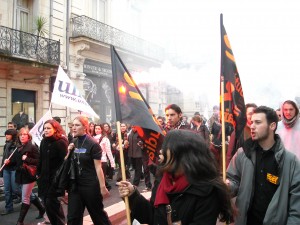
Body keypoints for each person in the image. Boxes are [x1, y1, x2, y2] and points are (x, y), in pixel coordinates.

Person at [118, 129, 235, 225]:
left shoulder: (207, 191)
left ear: (183, 155)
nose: (160, 151)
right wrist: (133, 195)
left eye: (166, 147)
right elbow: (153, 216)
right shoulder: (163, 180)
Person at [226, 106, 300, 225]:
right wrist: (228, 186)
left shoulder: (290, 161)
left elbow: (297, 202)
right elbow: (233, 179)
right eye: (252, 122)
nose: (252, 126)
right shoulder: (242, 153)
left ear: (272, 126)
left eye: (258, 122)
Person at [66, 116, 111, 225]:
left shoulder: (93, 144)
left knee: (98, 216)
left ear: (85, 127)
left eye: (77, 125)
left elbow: (98, 167)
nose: (74, 128)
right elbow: (68, 163)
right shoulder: (74, 141)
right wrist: (68, 151)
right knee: (73, 218)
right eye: (73, 125)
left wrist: (102, 187)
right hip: (75, 186)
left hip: (90, 186)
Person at [37, 119, 68, 225]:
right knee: (48, 204)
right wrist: (38, 174)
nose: (46, 130)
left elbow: (65, 163)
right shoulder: (43, 141)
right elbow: (41, 159)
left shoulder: (61, 142)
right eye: (44, 128)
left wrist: (63, 182)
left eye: (49, 128)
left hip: (55, 180)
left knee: (52, 204)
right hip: (44, 179)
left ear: (55, 129)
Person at [15, 127, 40, 225]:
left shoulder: (32, 147)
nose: (22, 136)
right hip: (20, 174)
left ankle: (20, 221)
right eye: (20, 134)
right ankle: (41, 209)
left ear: (28, 136)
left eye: (24, 134)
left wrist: (27, 159)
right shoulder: (18, 147)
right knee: (28, 195)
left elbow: (38, 161)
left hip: (29, 175)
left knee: (25, 197)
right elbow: (17, 161)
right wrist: (8, 162)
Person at [127, 125, 152, 191]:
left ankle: (143, 184)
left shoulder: (141, 133)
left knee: (144, 169)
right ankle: (141, 176)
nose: (133, 128)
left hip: (141, 154)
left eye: (134, 127)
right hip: (132, 154)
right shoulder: (130, 133)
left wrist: (142, 144)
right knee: (136, 168)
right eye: (132, 127)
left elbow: (146, 142)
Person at [0, 129, 18, 215]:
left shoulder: (16, 145)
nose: (6, 136)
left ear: (13, 135)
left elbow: (16, 159)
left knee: (15, 189)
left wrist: (10, 162)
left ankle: (31, 199)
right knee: (7, 190)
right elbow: (4, 157)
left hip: (14, 169)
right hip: (6, 169)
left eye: (8, 134)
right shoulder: (6, 145)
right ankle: (9, 208)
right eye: (6, 134)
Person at [93, 123, 115, 191]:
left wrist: (112, 163)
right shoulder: (92, 138)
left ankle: (104, 190)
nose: (97, 130)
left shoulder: (105, 139)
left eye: (98, 129)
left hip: (102, 160)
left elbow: (108, 151)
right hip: (93, 161)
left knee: (102, 178)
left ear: (101, 130)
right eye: (96, 128)